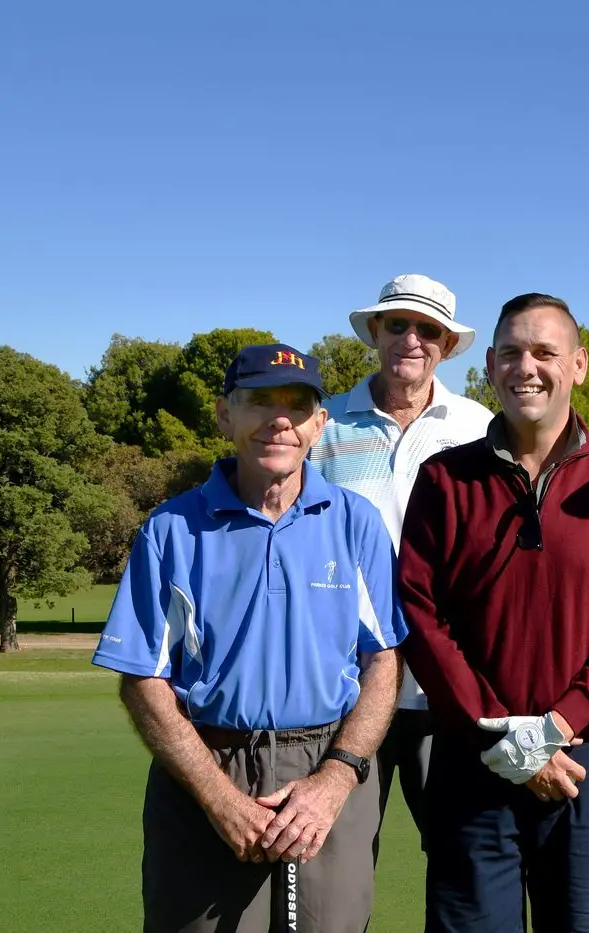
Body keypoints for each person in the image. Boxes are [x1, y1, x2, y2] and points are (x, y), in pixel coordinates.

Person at [92, 344, 406, 933]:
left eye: (297, 403)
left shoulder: (355, 521)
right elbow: (141, 679)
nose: (279, 418)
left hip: (327, 763)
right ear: (224, 415)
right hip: (207, 767)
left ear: (320, 422)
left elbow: (383, 662)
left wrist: (336, 779)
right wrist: (218, 797)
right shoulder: (171, 529)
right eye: (259, 400)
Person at [396, 293, 589, 933]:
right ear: (490, 365)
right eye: (513, 353)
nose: (528, 367)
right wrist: (498, 729)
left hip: (587, 756)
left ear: (578, 365)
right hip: (473, 754)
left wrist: (555, 726)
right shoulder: (444, 477)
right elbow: (420, 611)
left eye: (545, 352)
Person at [309, 273, 493, 854]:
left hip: (447, 682)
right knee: (338, 860)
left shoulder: (481, 429)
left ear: (445, 344)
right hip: (343, 683)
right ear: (375, 333)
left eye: (427, 329)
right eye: (397, 324)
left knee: (459, 858)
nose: (411, 339)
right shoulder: (323, 425)